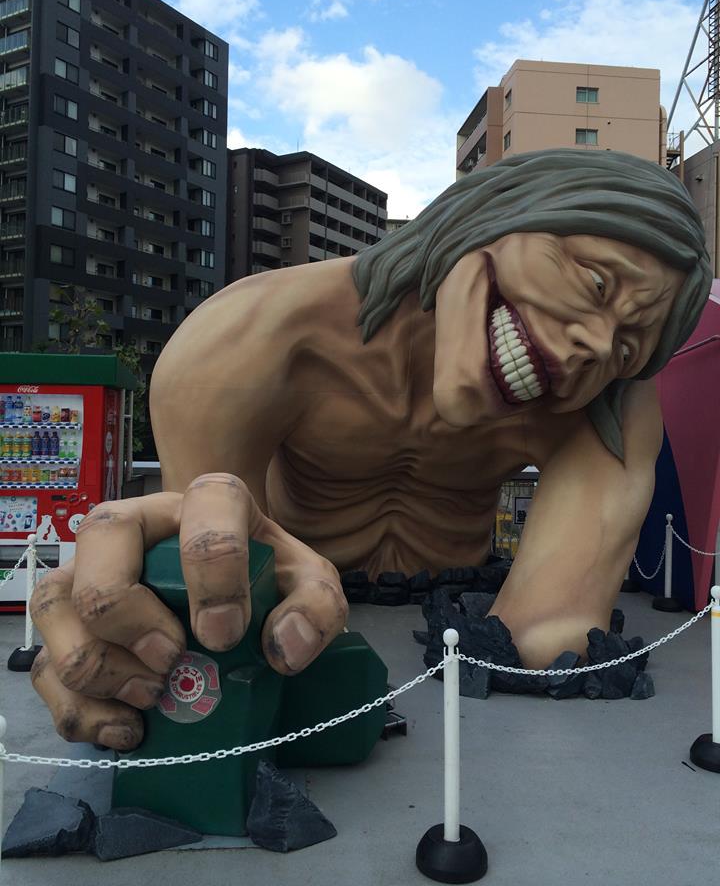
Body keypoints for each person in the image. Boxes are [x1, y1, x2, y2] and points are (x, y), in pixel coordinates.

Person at [30, 149, 711, 751]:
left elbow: (547, 636)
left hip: (461, 609)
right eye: (595, 282)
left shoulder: (600, 407)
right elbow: (208, 564)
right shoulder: (250, 339)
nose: (597, 345)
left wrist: (625, 406)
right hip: (300, 603)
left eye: (627, 349)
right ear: (498, 211)